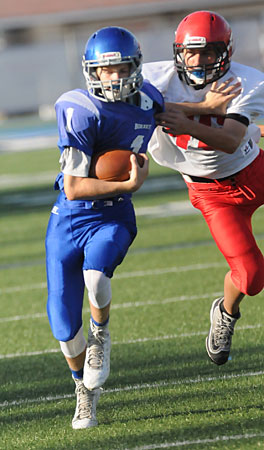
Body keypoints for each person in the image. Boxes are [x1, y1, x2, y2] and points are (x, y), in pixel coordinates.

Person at [45, 26, 164, 429]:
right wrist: (129, 183)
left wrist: (210, 112)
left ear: (135, 66)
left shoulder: (148, 98)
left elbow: (172, 114)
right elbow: (76, 188)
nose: (113, 77)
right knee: (62, 325)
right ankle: (84, 389)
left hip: (113, 216)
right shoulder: (79, 108)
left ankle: (102, 334)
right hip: (69, 217)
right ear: (91, 71)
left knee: (96, 275)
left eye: (120, 68)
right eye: (105, 69)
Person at [142, 11, 264, 366]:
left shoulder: (248, 81)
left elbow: (228, 140)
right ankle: (226, 313)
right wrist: (202, 108)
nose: (198, 61)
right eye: (191, 52)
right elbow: (116, 104)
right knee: (252, 277)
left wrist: (184, 114)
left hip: (253, 167)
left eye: (208, 53)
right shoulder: (154, 76)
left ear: (225, 52)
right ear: (178, 51)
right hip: (212, 194)